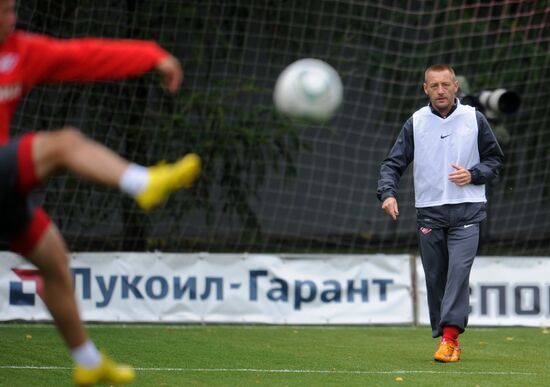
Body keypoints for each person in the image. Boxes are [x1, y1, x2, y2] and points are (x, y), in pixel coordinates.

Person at [0, 0, 201, 385]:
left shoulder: (19, 52)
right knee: (63, 144)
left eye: (13, 9)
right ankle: (142, 183)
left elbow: (84, 56)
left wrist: (150, 55)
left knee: (56, 263)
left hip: (2, 188)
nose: (12, 18)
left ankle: (88, 361)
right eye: (3, 11)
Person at [377, 64, 504, 363]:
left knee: (458, 274)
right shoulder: (416, 122)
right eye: (434, 86)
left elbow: (495, 160)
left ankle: (449, 339)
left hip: (468, 213)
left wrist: (473, 174)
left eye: (445, 84)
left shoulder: (474, 118)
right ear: (425, 89)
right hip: (430, 214)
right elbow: (392, 164)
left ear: (456, 86)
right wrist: (388, 193)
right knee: (436, 279)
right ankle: (448, 336)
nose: (440, 91)